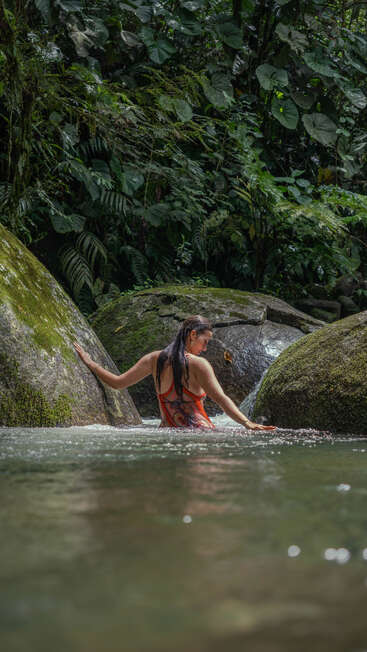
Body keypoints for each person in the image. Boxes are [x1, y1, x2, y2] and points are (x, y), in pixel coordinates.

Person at [73, 315, 276, 431]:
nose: (205, 348)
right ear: (192, 335)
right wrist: (247, 423)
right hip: (200, 434)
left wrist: (90, 363)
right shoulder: (199, 364)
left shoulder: (154, 359)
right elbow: (221, 399)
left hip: (167, 433)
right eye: (205, 342)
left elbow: (117, 383)